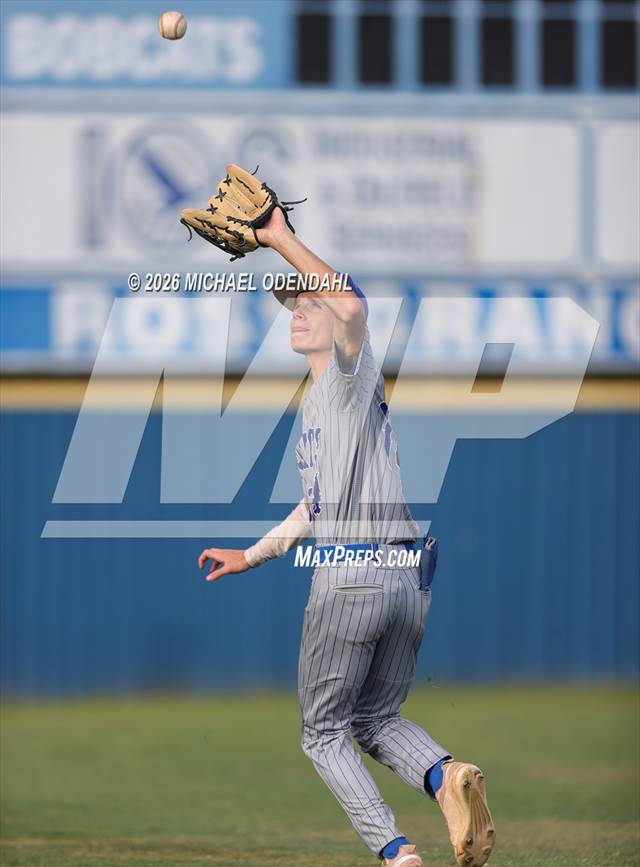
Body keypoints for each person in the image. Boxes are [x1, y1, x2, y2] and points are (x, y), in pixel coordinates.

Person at [197, 207, 495, 867]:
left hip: (354, 573)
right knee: (374, 719)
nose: (297, 311)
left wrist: (277, 236)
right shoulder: (318, 406)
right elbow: (314, 505)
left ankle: (396, 851)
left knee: (323, 730)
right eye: (291, 305)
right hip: (406, 578)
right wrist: (252, 553)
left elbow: (353, 307)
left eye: (308, 302)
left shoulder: (348, 374)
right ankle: (446, 774)